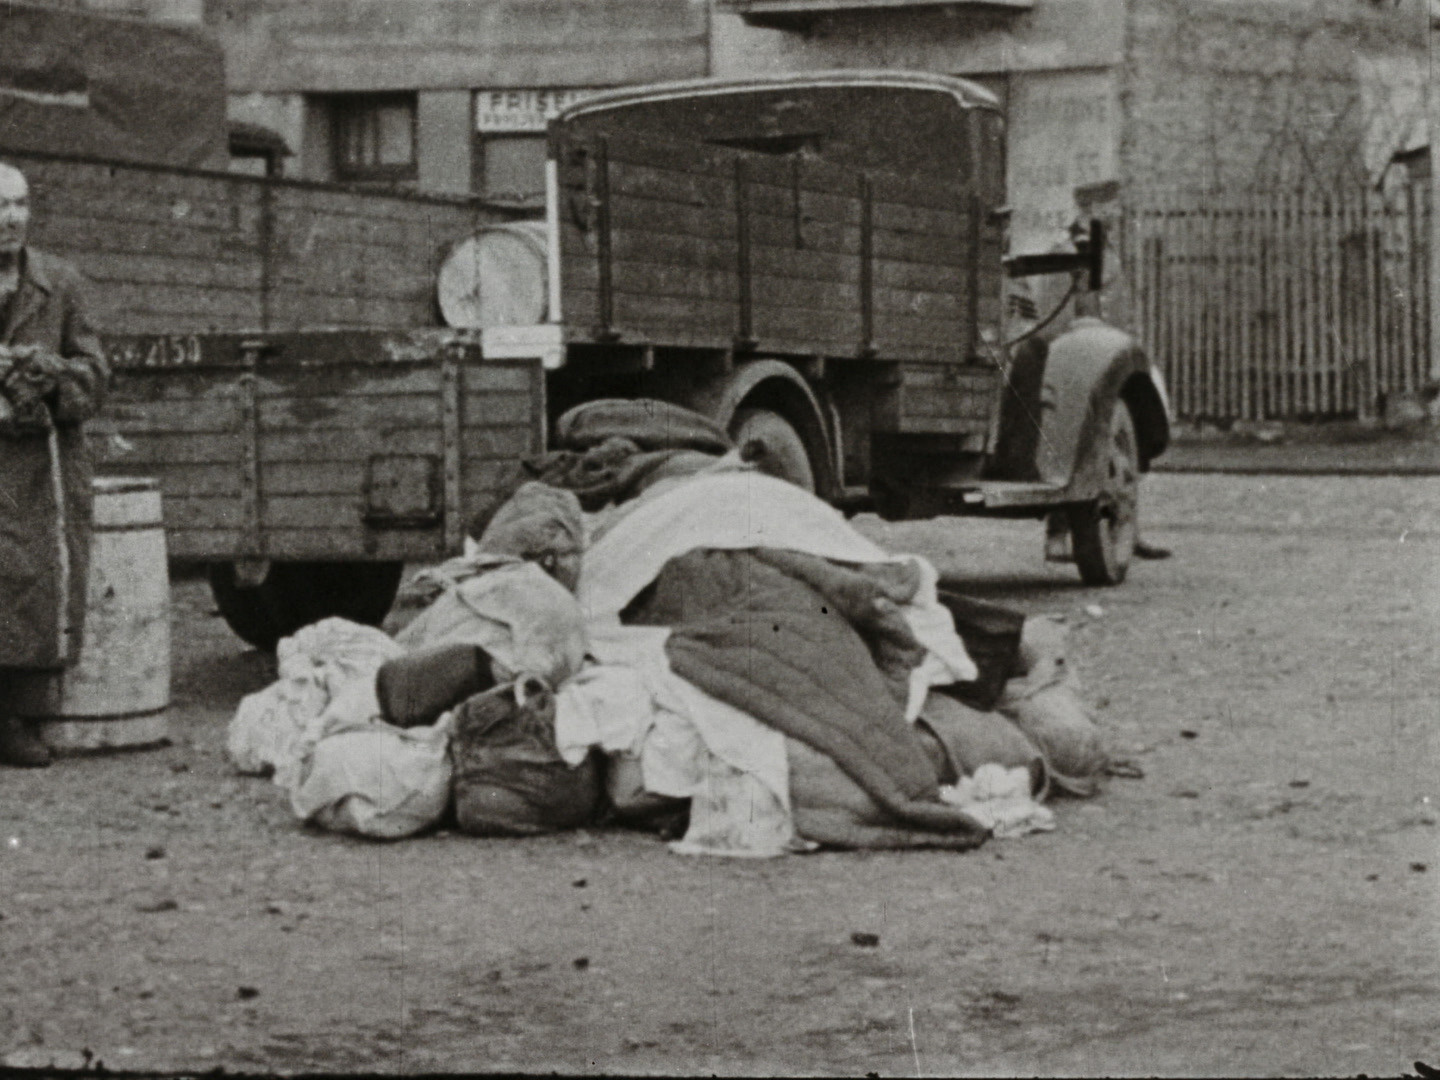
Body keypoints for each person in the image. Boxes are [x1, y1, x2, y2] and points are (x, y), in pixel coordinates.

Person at [0, 162, 110, 767]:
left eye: (18, 205)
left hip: (38, 471)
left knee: (30, 582)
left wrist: (53, 378)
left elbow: (96, 377)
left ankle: (12, 719)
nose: (10, 218)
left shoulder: (60, 285)